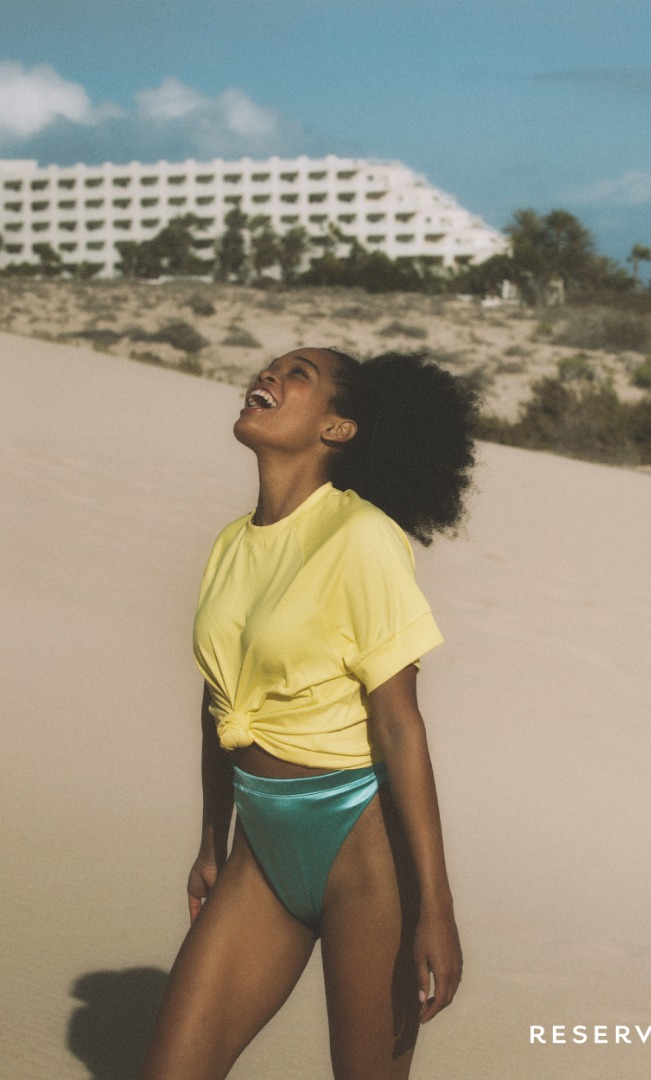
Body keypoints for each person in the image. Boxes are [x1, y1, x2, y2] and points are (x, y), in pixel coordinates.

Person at [139, 346, 479, 1080]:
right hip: (259, 850)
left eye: (300, 374)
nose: (269, 376)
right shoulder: (231, 544)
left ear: (338, 428)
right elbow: (220, 699)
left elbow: (399, 724)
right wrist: (212, 838)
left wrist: (437, 906)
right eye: (271, 366)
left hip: (364, 857)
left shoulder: (362, 537)